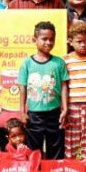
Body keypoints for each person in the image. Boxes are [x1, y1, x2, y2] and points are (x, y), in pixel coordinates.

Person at [18, 21, 68, 160]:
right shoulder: (27, 63)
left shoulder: (59, 62)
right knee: (34, 150)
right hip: (34, 115)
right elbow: (22, 87)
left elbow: (64, 86)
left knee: (56, 148)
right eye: (44, 39)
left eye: (51, 39)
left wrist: (65, 108)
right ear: (35, 40)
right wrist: (22, 111)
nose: (48, 42)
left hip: (55, 114)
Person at [64, 20, 86, 160]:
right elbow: (64, 85)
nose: (83, 44)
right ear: (70, 42)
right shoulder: (65, 60)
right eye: (79, 41)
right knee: (71, 139)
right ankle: (70, 167)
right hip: (72, 106)